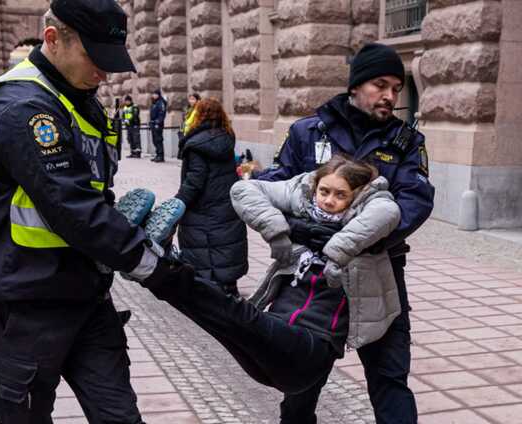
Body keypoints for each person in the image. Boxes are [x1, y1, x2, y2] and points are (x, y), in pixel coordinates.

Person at [0, 1, 190, 422]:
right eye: (94, 58)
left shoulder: (81, 100)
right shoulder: (22, 105)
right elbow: (70, 205)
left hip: (85, 293)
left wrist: (120, 225)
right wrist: (143, 257)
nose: (104, 73)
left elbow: (91, 194)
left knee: (120, 417)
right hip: (25, 299)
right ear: (52, 39)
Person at [121, 154, 401, 406]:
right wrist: (284, 229)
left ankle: (152, 261)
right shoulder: (303, 213)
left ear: (357, 196)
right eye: (323, 191)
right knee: (211, 317)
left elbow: (385, 212)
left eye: (340, 195)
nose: (328, 200)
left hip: (311, 351)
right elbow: (244, 188)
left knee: (234, 311)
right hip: (272, 349)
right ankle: (154, 260)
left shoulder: (367, 238)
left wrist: (335, 250)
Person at [258, 43, 435, 424]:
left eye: (395, 88)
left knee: (390, 377)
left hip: (380, 271)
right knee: (302, 381)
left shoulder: (405, 142)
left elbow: (415, 201)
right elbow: (278, 186)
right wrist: (298, 229)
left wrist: (360, 238)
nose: (390, 96)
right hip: (314, 279)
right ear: (356, 86)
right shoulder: (308, 131)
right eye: (380, 85)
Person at [175, 98, 248, 296]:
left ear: (198, 115)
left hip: (202, 207)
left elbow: (195, 181)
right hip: (226, 203)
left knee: (205, 245)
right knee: (226, 242)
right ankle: (229, 286)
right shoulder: (226, 138)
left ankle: (210, 291)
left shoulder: (196, 144)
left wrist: (178, 202)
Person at [149, 88, 166, 162]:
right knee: (155, 140)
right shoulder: (154, 102)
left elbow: (162, 114)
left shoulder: (161, 102)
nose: (154, 95)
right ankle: (157, 155)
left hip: (158, 124)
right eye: (153, 94)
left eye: (155, 94)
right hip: (153, 123)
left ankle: (160, 156)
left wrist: (158, 122)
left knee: (158, 140)